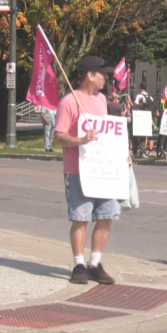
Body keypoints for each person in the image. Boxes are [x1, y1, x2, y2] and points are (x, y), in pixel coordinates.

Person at [53, 56, 125, 285]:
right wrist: (80, 140)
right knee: (81, 219)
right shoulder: (69, 102)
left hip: (103, 168)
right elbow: (59, 137)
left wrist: (122, 152)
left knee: (106, 216)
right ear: (89, 75)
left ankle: (95, 263)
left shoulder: (102, 99)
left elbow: (106, 133)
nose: (106, 77)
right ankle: (79, 265)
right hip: (78, 170)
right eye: (102, 73)